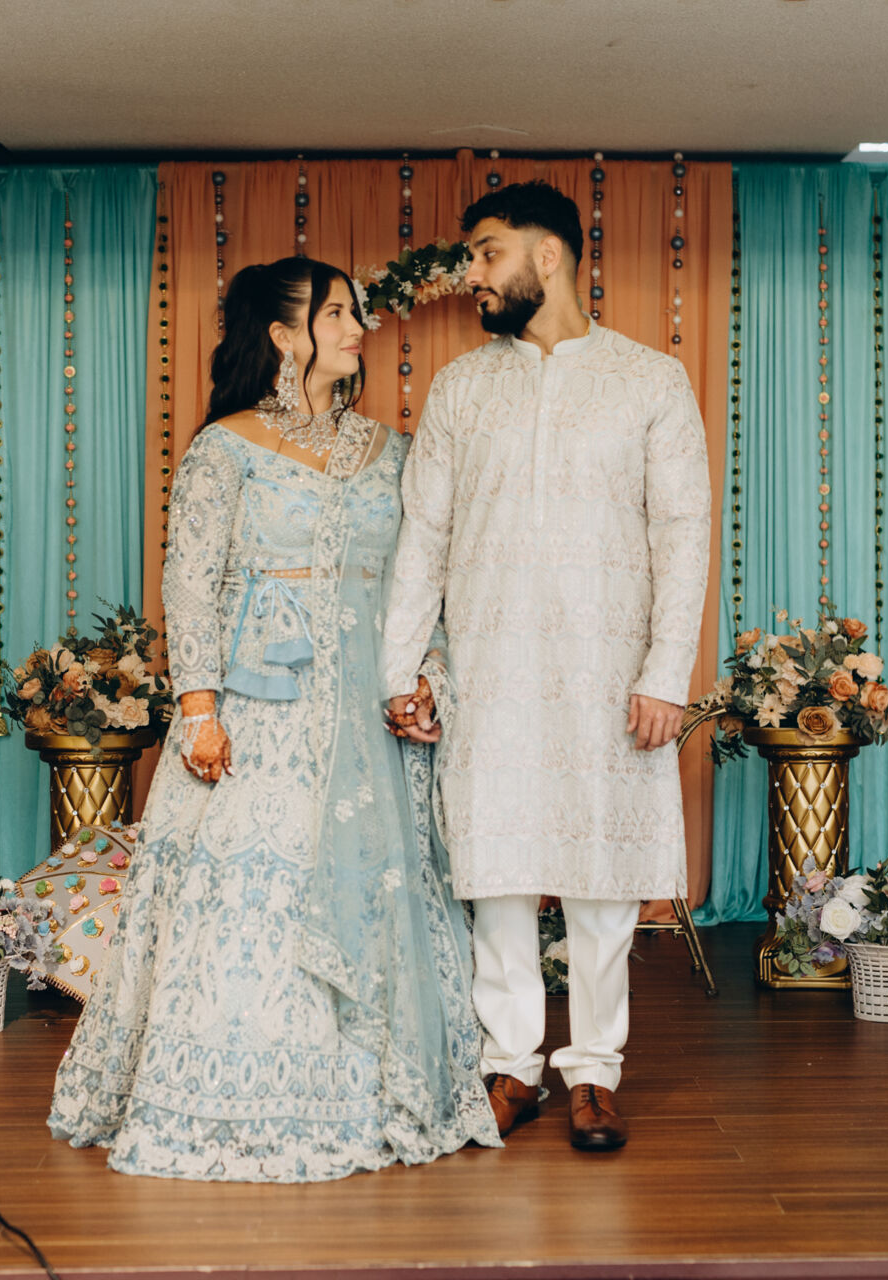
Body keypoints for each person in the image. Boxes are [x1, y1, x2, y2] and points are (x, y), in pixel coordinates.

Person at [48, 257, 499, 1180]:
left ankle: (379, 1091)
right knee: (258, 894)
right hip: (262, 712)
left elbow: (425, 583)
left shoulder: (393, 453)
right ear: (284, 335)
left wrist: (429, 678)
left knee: (373, 889)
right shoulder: (227, 448)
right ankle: (234, 1098)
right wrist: (200, 708)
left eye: (356, 312)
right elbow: (191, 582)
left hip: (370, 721)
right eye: (335, 313)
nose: (357, 328)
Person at [380, 182, 711, 1152]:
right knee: (498, 870)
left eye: (488, 253)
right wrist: (403, 668)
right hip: (490, 664)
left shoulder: (650, 380)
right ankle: (512, 1066)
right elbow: (422, 537)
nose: (473, 276)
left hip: (609, 669)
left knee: (605, 874)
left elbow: (683, 531)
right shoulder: (461, 387)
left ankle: (595, 1070)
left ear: (550, 255)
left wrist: (664, 672)